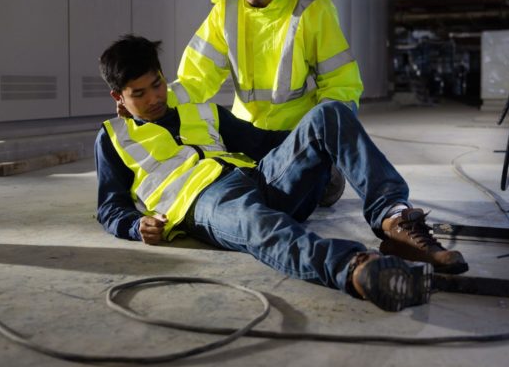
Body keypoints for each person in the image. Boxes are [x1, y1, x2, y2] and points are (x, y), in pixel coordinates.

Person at [94, 35, 468, 313]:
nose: (155, 97)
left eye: (157, 84)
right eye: (139, 93)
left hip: (258, 178)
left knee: (329, 114)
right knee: (262, 226)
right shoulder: (113, 138)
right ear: (118, 97)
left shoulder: (198, 108)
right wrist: (135, 224)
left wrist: (319, 143)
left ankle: (393, 220)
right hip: (206, 203)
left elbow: (263, 141)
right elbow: (110, 206)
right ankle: (358, 270)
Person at [169, 0, 362, 206]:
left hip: (297, 137)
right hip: (247, 137)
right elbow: (196, 78)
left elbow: (341, 84)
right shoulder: (226, 12)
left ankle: (327, 171)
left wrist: (324, 139)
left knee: (302, 196)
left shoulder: (310, 7)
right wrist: (154, 106)